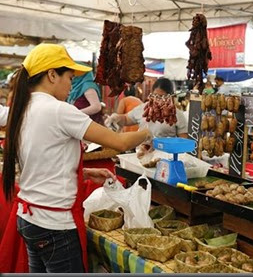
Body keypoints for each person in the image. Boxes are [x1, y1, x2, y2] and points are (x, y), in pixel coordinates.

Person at [0, 43, 151, 273]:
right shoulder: (60, 110)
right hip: (54, 225)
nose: (72, 86)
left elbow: (43, 160)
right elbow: (120, 143)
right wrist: (151, 130)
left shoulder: (23, 107)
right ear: (52, 75)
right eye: (70, 77)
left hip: (29, 219)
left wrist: (84, 173)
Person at [106, 77, 188, 139]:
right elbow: (126, 119)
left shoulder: (177, 115)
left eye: (162, 96)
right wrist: (116, 118)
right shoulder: (143, 108)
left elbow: (183, 142)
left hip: (165, 157)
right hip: (142, 153)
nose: (158, 99)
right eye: (155, 95)